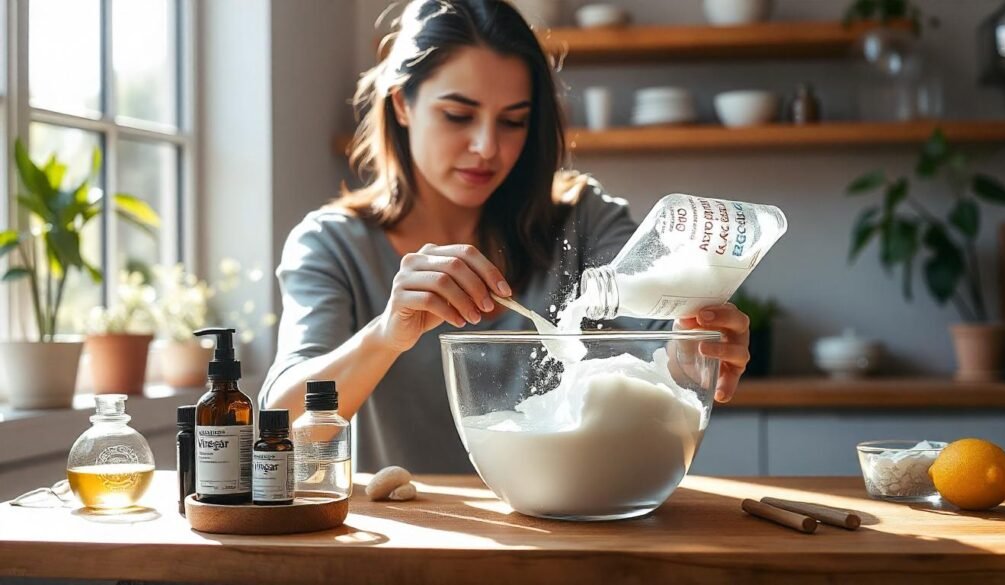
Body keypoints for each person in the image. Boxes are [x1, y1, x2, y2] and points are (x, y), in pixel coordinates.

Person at [260, 0, 751, 473]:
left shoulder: (583, 222)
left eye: (514, 121)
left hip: (567, 528)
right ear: (402, 104)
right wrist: (387, 334)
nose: (486, 147)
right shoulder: (332, 246)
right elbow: (280, 425)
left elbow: (658, 343)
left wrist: (696, 348)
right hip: (406, 539)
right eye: (458, 114)